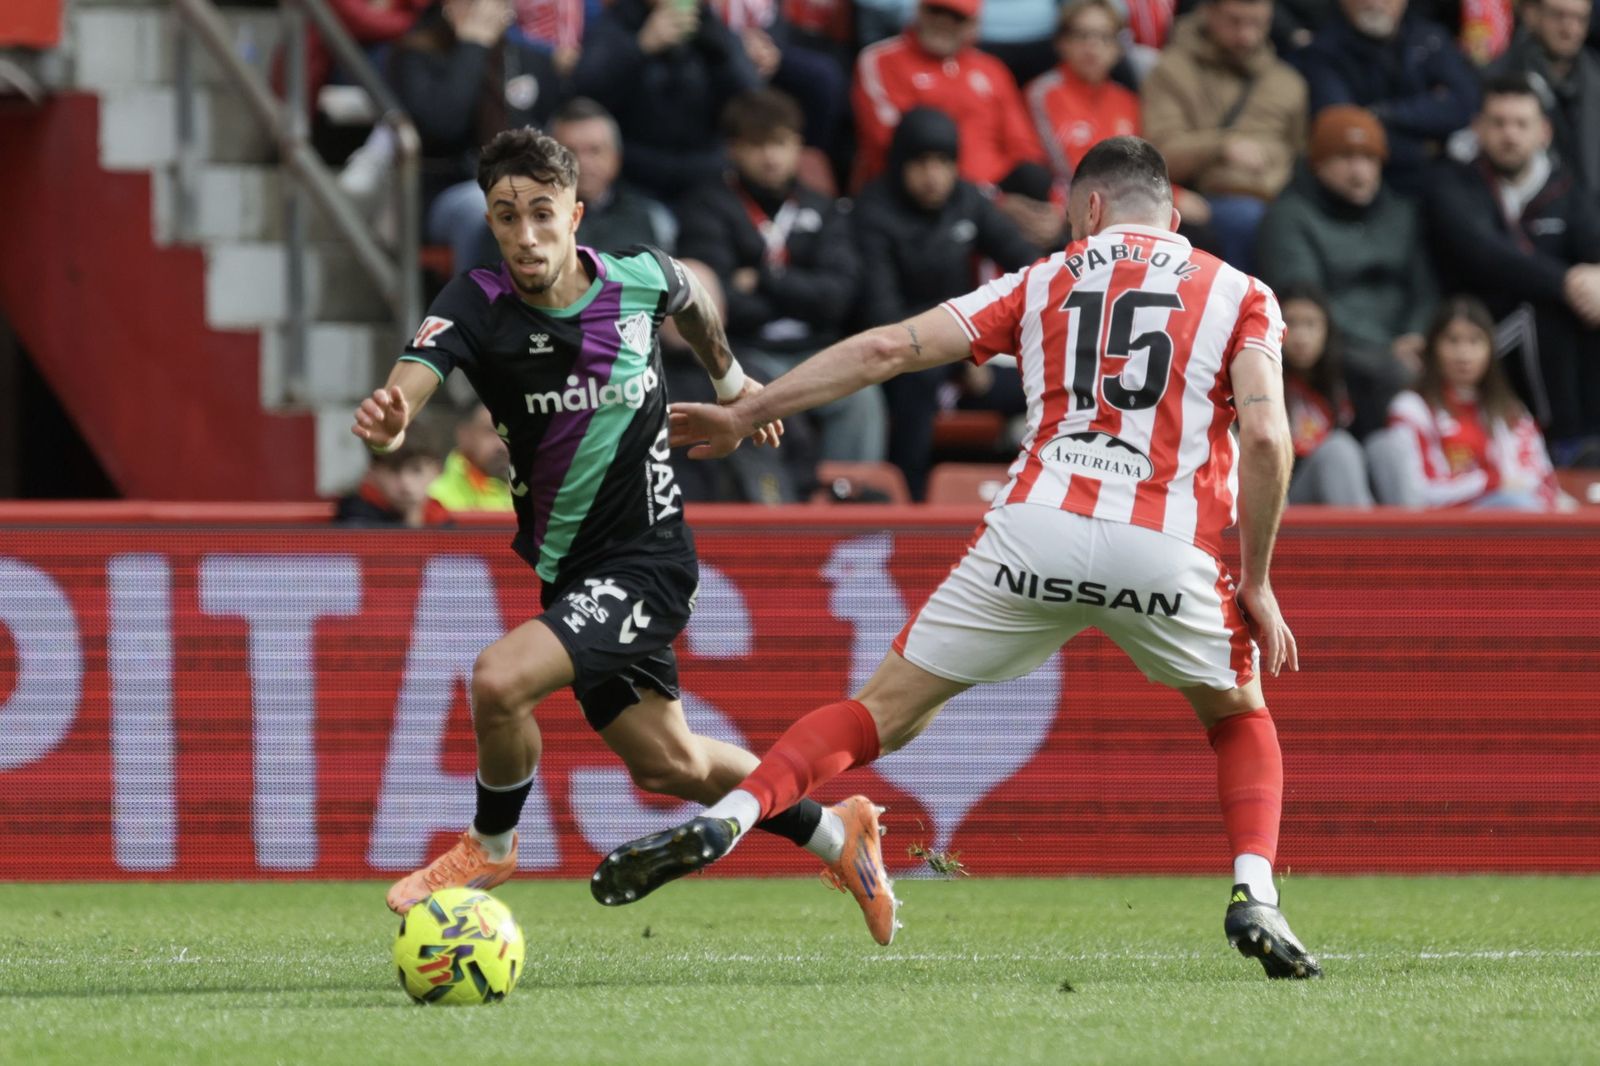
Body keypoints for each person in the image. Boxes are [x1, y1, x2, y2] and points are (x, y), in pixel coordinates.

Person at [593, 136, 1322, 979]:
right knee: (1236, 715)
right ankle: (1255, 893)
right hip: (1166, 548)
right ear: (1175, 211)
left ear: (1087, 209)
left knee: (884, 711)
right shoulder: (1243, 294)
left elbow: (888, 349)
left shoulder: (1044, 276)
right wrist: (1259, 580)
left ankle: (740, 810)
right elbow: (1267, 436)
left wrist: (746, 409)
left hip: (1034, 529)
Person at [349, 127, 892, 940]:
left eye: (541, 214)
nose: (525, 236)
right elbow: (408, 393)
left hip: (648, 563)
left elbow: (694, 300)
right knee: (668, 762)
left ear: (576, 211)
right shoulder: (476, 303)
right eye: (506, 218)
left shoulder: (638, 277)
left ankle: (491, 845)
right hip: (573, 574)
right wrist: (390, 425)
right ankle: (835, 832)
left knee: (499, 680)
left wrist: (731, 378)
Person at [676, 89, 886, 464]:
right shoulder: (707, 208)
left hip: (816, 347)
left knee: (861, 399)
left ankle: (850, 504)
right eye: (757, 145)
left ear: (798, 148)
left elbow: (838, 298)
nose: (770, 157)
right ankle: (775, 509)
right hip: (746, 350)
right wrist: (800, 294)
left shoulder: (825, 209)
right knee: (756, 401)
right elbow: (718, 304)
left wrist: (763, 280)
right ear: (733, 149)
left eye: (780, 143)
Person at [853, 108, 1041, 498]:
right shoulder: (872, 213)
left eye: (943, 162)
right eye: (921, 163)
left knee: (1051, 374)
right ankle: (912, 502)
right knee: (918, 382)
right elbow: (881, 314)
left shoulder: (967, 199)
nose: (933, 176)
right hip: (902, 355)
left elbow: (1031, 266)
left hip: (964, 350)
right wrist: (958, 354)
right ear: (900, 164)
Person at [1425, 74, 1600, 458]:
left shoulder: (1566, 189)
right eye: (1499, 123)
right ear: (1478, 128)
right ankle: (1562, 449)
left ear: (1544, 132)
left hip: (1559, 337)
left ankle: (1590, 449)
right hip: (1476, 329)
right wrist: (1570, 281)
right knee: (1547, 311)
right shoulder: (1452, 184)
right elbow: (1486, 255)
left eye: (1522, 124)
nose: (1510, 134)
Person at [1256, 105, 1435, 403]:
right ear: (1318, 163)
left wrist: (1416, 334)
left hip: (1406, 345)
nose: (1359, 171)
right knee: (1400, 378)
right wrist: (1386, 348)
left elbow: (1425, 286)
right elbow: (1305, 304)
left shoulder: (1401, 213)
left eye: (1368, 158)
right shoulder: (1288, 218)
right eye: (1345, 157)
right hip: (1339, 349)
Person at [390, 0, 572, 275]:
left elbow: (545, 132)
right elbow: (443, 125)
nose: (484, 11)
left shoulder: (531, 60)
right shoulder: (416, 55)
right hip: (445, 190)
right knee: (491, 205)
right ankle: (483, 312)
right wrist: (473, 47)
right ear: (447, 7)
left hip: (523, 181)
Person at [1140, 0, 1308, 272]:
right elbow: (1157, 156)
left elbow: (1302, 155)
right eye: (1235, 21)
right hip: (1210, 201)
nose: (1246, 35)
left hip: (1280, 203)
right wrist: (1220, 146)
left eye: (1257, 23)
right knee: (1247, 219)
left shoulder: (1288, 82)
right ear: (1208, 13)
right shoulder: (1171, 71)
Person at [1369, 296, 1572, 508]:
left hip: (1512, 515)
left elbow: (1542, 477)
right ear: (1433, 347)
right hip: (1445, 529)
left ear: (1490, 350)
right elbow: (1419, 492)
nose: (1463, 354)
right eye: (1453, 341)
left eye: (1475, 341)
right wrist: (1490, 482)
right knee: (1515, 503)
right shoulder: (1411, 408)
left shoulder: (1512, 410)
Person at [571, 0, 761, 202]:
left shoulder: (711, 24)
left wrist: (717, 49)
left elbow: (751, 101)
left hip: (705, 175)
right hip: (634, 177)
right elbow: (585, 94)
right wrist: (641, 46)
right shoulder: (617, 22)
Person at [851, 0, 1045, 189]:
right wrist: (985, 200)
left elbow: (1024, 146)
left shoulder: (992, 69)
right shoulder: (882, 60)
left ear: (974, 25)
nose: (943, 23)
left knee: (1035, 180)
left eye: (956, 17)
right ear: (919, 11)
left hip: (997, 194)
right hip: (919, 195)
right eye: (936, 11)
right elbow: (892, 143)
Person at [1294, 0, 1479, 194]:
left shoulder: (1430, 38)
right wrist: (1425, 147)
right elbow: (1343, 129)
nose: (1375, 3)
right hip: (1368, 187)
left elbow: (1464, 104)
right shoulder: (1323, 52)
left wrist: (1383, 114)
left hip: (1441, 181)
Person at [1486, 0, 1600, 200]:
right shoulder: (1498, 78)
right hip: (1523, 211)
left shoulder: (1594, 77)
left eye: (1580, 19)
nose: (1569, 28)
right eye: (1558, 15)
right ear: (1531, 14)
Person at [1277, 283, 1376, 504]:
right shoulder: (1259, 378)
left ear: (1327, 330)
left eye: (1311, 324)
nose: (1301, 337)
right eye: (1290, 323)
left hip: (1346, 488)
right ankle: (1364, 539)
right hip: (1286, 498)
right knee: (1337, 449)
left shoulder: (1350, 379)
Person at [1025, 0, 1142, 186]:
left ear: (1118, 48)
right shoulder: (1043, 93)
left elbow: (1142, 165)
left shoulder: (1127, 100)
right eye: (1081, 35)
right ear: (1062, 42)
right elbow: (1061, 168)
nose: (1092, 47)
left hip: (1125, 202)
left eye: (1105, 36)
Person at [550, 97, 678, 252]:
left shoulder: (652, 219)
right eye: (570, 152)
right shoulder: (532, 219)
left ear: (616, 158)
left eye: (594, 150)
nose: (582, 162)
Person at [336, 409, 454, 526]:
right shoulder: (356, 517)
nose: (405, 484)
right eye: (393, 470)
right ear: (373, 471)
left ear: (436, 471)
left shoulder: (440, 517)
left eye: (417, 470)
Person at [428, 402, 515, 511]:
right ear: (465, 435)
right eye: (491, 432)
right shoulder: (435, 500)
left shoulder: (537, 492)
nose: (503, 445)